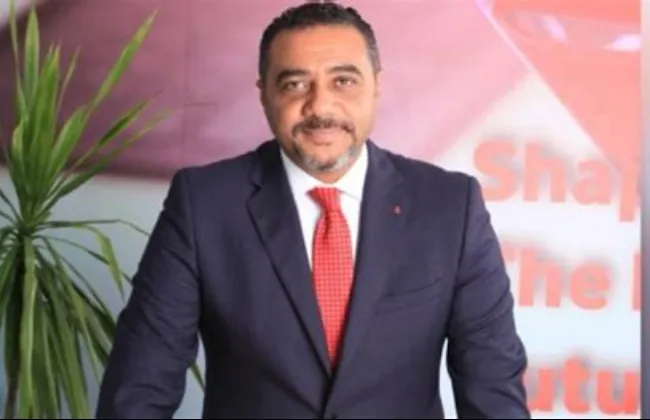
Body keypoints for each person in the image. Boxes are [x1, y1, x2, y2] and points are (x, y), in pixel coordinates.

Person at [95, 2, 530, 419]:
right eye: (295, 84)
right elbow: (139, 391)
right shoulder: (203, 204)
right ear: (264, 94)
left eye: (344, 81)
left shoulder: (450, 207)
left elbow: (493, 391)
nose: (320, 107)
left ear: (376, 85)